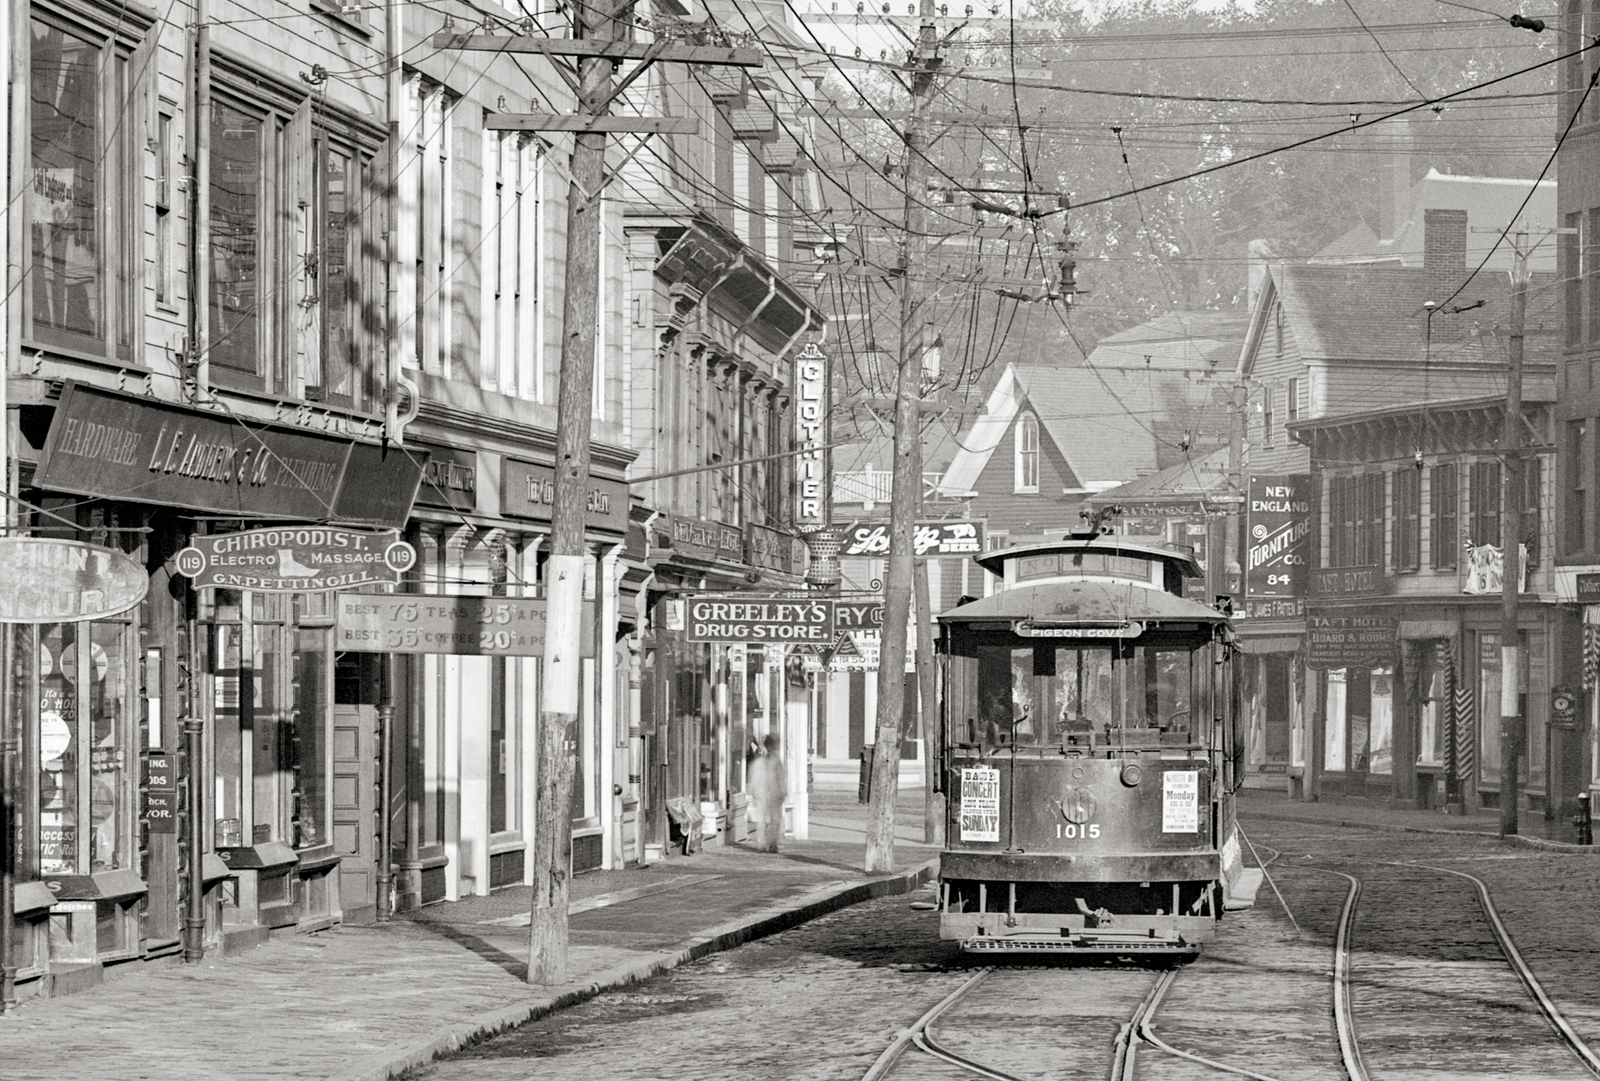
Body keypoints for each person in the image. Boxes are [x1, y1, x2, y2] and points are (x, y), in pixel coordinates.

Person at [748, 734, 788, 853]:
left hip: (771, 794)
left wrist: (782, 791)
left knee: (771, 820)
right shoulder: (761, 763)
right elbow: (755, 779)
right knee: (767, 820)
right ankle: (765, 843)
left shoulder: (772, 762)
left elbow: (781, 778)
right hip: (765, 793)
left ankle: (769, 843)